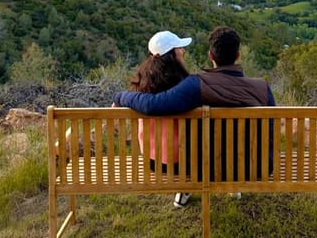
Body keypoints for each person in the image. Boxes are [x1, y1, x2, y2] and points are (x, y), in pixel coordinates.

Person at [113, 26, 276, 206]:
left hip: (206, 167)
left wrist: (120, 97)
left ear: (210, 56)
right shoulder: (263, 88)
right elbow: (270, 130)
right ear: (238, 56)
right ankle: (232, 183)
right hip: (258, 166)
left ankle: (187, 190)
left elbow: (153, 104)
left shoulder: (197, 85)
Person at [126, 30, 192, 207]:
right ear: (171, 54)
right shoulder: (182, 86)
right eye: (179, 48)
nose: (183, 51)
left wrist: (120, 97)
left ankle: (184, 190)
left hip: (152, 161)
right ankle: (186, 188)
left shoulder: (141, 86)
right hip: (182, 163)